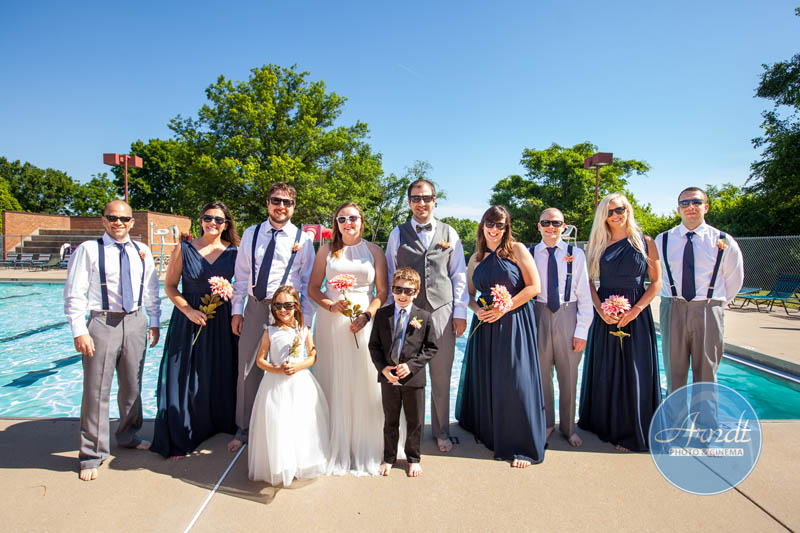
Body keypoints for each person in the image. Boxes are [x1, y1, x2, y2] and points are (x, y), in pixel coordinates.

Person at [63, 200, 161, 481]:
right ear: (104, 220)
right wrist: (79, 330)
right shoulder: (89, 250)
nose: (119, 223)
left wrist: (154, 321)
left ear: (132, 222)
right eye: (113, 217)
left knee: (132, 385)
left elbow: (151, 289)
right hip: (102, 322)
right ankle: (92, 454)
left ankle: (128, 435)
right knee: (96, 390)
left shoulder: (142, 251)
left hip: (136, 320)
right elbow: (74, 293)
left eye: (124, 218)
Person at [456, 206, 546, 468]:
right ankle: (489, 431)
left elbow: (534, 287)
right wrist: (478, 311)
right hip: (485, 325)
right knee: (488, 377)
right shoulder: (475, 258)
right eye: (490, 223)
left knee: (515, 380)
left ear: (506, 228)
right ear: (482, 225)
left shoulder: (517, 250)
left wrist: (504, 308)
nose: (494, 229)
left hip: (514, 321)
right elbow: (469, 295)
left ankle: (522, 445)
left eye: (500, 225)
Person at [228, 182, 316, 453]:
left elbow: (307, 282)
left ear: (294, 207)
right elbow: (242, 275)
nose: (281, 206)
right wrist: (236, 310)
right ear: (267, 203)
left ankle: (283, 429)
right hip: (255, 307)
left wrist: (305, 322)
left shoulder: (304, 239)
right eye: (276, 200)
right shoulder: (251, 234)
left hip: (288, 312)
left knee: (287, 368)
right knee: (247, 368)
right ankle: (244, 429)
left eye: (287, 202)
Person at [384, 179, 468, 453]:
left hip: (442, 311)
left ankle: (442, 431)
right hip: (408, 312)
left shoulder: (449, 232)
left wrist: (459, 311)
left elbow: (458, 274)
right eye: (416, 198)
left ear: (435, 201)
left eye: (427, 198)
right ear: (409, 202)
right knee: (409, 375)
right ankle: (411, 432)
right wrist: (391, 314)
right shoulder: (397, 234)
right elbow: (390, 272)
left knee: (441, 374)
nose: (422, 203)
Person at [151, 202, 240, 459]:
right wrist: (188, 310)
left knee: (219, 372)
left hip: (222, 321)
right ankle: (183, 432)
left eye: (219, 220)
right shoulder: (184, 248)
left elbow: (243, 285)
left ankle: (218, 424)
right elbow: (170, 286)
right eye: (208, 218)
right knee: (184, 375)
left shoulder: (234, 251)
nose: (213, 223)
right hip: (189, 321)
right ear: (200, 220)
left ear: (226, 224)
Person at [578, 193, 662, 452]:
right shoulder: (596, 245)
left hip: (636, 315)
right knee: (606, 367)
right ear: (603, 216)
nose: (616, 215)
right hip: (605, 314)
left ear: (628, 210)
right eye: (610, 211)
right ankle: (603, 424)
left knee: (635, 369)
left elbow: (656, 282)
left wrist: (636, 310)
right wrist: (600, 310)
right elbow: (587, 282)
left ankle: (631, 429)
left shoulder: (645, 242)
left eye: (620, 209)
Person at [309, 201, 388, 476]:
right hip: (332, 321)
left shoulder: (375, 251)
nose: (347, 223)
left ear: (361, 221)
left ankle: (365, 441)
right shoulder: (325, 251)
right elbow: (313, 288)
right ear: (336, 223)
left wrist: (367, 315)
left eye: (352, 218)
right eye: (341, 219)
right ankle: (334, 440)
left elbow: (382, 292)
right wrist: (331, 306)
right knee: (333, 377)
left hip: (364, 320)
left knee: (365, 379)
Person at [656, 187, 744, 393]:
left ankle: (705, 415)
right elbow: (657, 275)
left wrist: (713, 305)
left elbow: (734, 278)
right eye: (685, 203)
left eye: (696, 202)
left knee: (706, 374)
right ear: (678, 209)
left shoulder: (723, 239)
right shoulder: (663, 239)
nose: (691, 207)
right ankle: (674, 414)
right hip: (672, 308)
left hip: (708, 308)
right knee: (673, 374)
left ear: (706, 207)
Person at [248, 285, 330, 486]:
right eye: (277, 306)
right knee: (278, 423)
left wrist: (298, 366)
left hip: (299, 383)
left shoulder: (304, 330)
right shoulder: (270, 331)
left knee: (300, 422)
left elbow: (312, 355)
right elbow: (260, 360)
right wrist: (277, 369)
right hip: (275, 385)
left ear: (296, 306)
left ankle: (300, 462)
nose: (282, 310)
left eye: (287, 305)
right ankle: (280, 464)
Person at [530, 208, 592, 447]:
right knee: (542, 374)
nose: (551, 227)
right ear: (539, 226)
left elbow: (584, 295)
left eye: (556, 223)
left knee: (569, 375)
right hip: (539, 314)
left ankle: (568, 427)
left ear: (563, 227)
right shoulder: (530, 254)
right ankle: (546, 424)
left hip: (568, 314)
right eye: (546, 222)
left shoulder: (576, 254)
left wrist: (582, 331)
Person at [369, 267, 438, 478]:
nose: (402, 295)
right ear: (392, 289)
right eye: (398, 289)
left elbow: (431, 348)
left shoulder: (424, 317)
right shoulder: (382, 315)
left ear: (416, 293)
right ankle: (389, 457)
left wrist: (411, 366)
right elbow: (374, 346)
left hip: (413, 379)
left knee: (414, 421)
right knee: (390, 420)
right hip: (388, 377)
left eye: (408, 291)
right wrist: (383, 368)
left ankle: (413, 459)